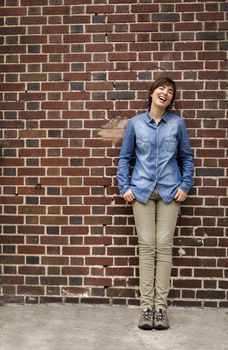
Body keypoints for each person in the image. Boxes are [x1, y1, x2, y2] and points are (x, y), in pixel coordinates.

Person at [117, 77, 194, 330]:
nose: (165, 93)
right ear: (152, 93)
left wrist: (185, 185)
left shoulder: (177, 124)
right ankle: (146, 308)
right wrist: (124, 186)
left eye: (170, 91)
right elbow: (125, 157)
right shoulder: (136, 124)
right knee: (147, 246)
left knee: (164, 245)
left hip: (171, 191)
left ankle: (160, 308)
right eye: (161, 88)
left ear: (171, 99)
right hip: (141, 191)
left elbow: (186, 158)